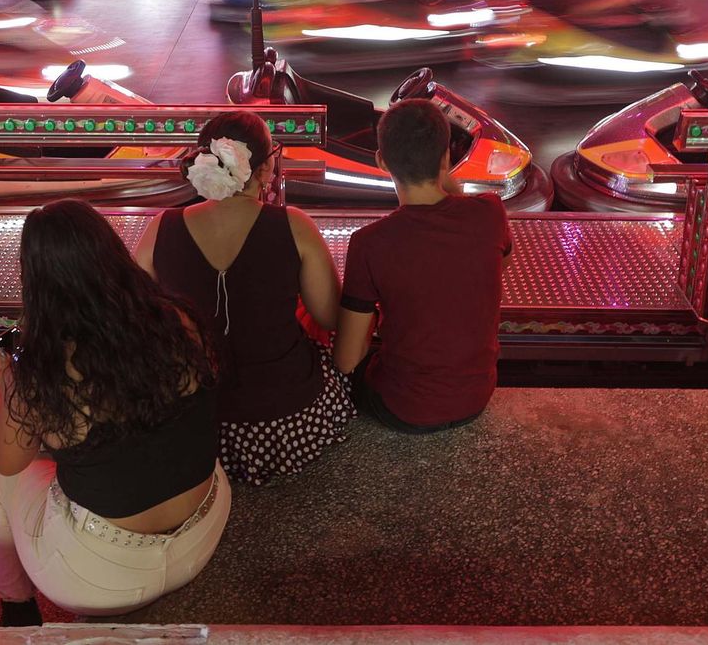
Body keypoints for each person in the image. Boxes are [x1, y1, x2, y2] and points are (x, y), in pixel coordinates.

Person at [0, 200, 227, 620]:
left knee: (8, 474)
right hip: (203, 533)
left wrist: (7, 369)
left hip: (100, 578)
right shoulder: (176, 319)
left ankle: (15, 605)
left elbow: (5, 459)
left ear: (34, 279)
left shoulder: (40, 365)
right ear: (113, 251)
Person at [135, 112, 351, 486]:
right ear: (265, 168)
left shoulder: (161, 227)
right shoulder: (294, 224)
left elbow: (138, 320)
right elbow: (330, 316)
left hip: (195, 428)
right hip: (287, 422)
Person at [334, 99, 513, 433]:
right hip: (477, 397)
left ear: (381, 161)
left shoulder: (369, 243)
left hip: (403, 408)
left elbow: (346, 359)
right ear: (446, 157)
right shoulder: (490, 213)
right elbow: (497, 265)